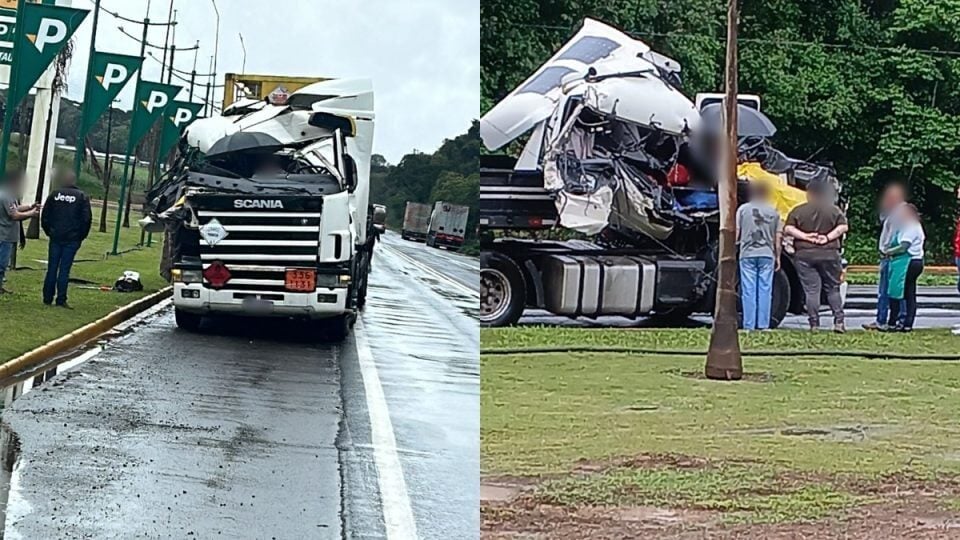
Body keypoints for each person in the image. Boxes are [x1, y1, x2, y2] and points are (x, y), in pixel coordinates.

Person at [784, 182, 848, 332]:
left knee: (812, 290)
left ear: (809, 194)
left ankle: (814, 324)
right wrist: (827, 237)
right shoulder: (834, 210)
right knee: (833, 288)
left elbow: (788, 228)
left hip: (805, 255)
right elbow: (843, 227)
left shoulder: (798, 211)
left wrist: (805, 236)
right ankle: (838, 322)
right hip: (829, 253)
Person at [40, 170, 92, 307]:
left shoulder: (55, 194)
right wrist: (80, 236)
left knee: (52, 267)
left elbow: (45, 215)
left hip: (55, 236)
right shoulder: (81, 197)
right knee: (64, 269)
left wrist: (49, 231)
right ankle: (61, 299)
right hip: (72, 239)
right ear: (74, 181)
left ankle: (47, 297)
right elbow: (86, 219)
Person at [736, 182, 781, 330]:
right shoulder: (774, 212)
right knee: (765, 290)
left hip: (747, 254)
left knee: (748, 290)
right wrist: (778, 256)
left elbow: (737, 233)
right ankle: (763, 324)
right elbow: (777, 238)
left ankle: (749, 325)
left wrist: (735, 246)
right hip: (767, 254)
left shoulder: (742, 210)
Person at [863, 183, 907, 330]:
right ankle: (885, 319)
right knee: (888, 291)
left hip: (891, 256)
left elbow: (894, 235)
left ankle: (891, 320)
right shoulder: (892, 212)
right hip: (888, 255)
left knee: (890, 291)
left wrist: (887, 251)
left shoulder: (901, 213)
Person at [883, 204, 924, 332]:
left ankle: (896, 322)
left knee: (900, 291)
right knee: (908, 293)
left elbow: (904, 246)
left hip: (909, 262)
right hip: (908, 262)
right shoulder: (907, 226)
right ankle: (905, 323)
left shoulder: (912, 226)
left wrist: (888, 252)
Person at [0, 172, 41, 294]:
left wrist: (30, 206)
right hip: (4, 235)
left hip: (6, 235)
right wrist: (31, 214)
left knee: (2, 264)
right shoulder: (5, 195)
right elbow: (14, 215)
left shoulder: (8, 194)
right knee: (1, 264)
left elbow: (15, 208)